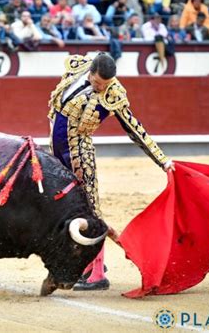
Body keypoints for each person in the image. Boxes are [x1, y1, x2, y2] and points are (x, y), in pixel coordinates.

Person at [48, 53, 174, 291]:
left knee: (90, 211)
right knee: (65, 209)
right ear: (90, 71)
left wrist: (162, 161)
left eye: (104, 85)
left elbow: (135, 129)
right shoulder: (78, 67)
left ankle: (97, 274)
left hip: (79, 154)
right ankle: (87, 264)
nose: (100, 88)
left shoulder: (114, 93)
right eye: (97, 83)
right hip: (56, 150)